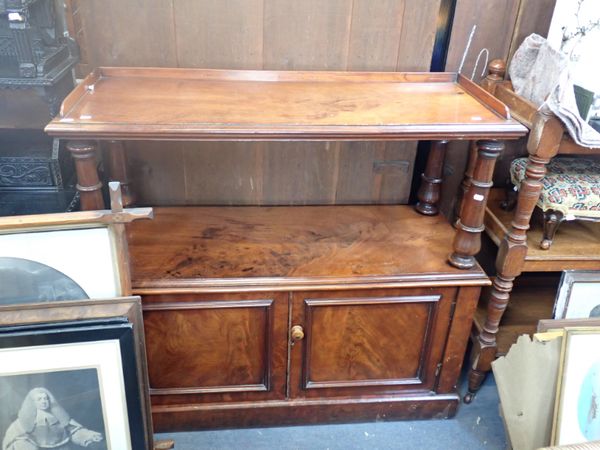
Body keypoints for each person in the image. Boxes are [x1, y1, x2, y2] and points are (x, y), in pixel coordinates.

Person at [2, 387, 103, 450]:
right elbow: (15, 439)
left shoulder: (60, 417)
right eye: (39, 399)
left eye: (46, 398)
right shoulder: (23, 422)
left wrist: (88, 435)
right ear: (33, 402)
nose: (43, 401)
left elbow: (73, 431)